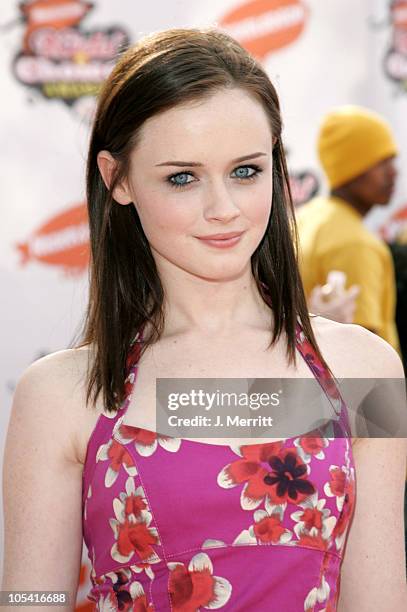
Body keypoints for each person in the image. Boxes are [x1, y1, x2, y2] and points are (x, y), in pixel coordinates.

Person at [2, 28, 406, 611]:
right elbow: (28, 600)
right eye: (182, 177)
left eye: (246, 171)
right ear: (117, 179)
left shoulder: (366, 371)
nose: (224, 209)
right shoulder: (60, 395)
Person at [296, 105, 400, 351]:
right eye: (381, 162)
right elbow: (362, 354)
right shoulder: (354, 243)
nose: (394, 173)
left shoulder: (309, 216)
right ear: (352, 168)